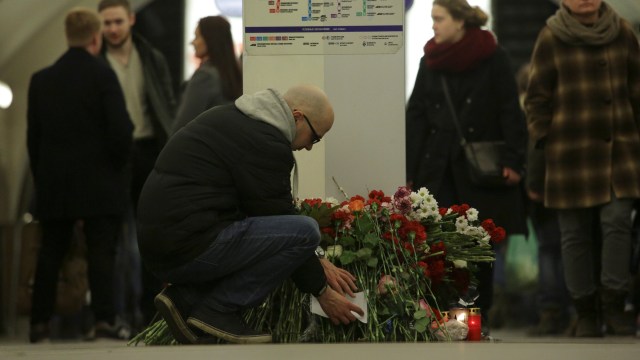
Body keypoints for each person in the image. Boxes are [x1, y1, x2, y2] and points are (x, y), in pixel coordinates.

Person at [136, 84, 364, 344]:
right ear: (298, 116)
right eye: (315, 138)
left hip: (165, 246)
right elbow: (281, 221)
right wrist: (322, 290)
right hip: (187, 245)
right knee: (306, 231)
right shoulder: (266, 142)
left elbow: (260, 216)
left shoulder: (238, 119)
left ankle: (187, 298)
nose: (310, 148)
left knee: (285, 233)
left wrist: (317, 261)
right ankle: (219, 309)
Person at [405, 0, 528, 335]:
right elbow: (415, 117)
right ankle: (444, 315)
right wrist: (410, 171)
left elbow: (509, 111)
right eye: (432, 19)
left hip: (479, 171)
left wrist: (515, 160)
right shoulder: (429, 61)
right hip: (439, 168)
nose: (433, 26)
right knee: (440, 244)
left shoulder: (493, 57)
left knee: (479, 244)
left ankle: (478, 313)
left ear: (460, 21)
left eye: (439, 19)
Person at [525, 0, 640, 337]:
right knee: (574, 234)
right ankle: (586, 311)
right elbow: (536, 98)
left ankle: (615, 307)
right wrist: (546, 138)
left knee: (617, 222)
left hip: (620, 152)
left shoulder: (622, 30)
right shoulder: (551, 35)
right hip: (569, 155)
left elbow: (637, 89)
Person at [26, 7, 133, 342]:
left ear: (67, 36)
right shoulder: (103, 75)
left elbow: (34, 139)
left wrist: (43, 176)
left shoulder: (41, 80)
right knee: (102, 252)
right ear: (95, 37)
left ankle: (38, 322)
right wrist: (116, 169)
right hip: (99, 182)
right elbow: (121, 131)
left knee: (51, 252)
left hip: (55, 183)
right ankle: (104, 319)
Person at [98, 0, 177, 327]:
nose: (113, 29)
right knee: (112, 238)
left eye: (118, 21)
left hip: (147, 150)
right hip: (110, 155)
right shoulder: (96, 61)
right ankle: (114, 312)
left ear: (131, 19)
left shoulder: (151, 57)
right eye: (107, 24)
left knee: (148, 235)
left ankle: (148, 310)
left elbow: (166, 104)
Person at [517, 63, 571, 336]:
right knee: (573, 248)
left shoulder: (530, 112)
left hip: (542, 189)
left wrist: (533, 184)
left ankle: (551, 311)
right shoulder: (566, 106)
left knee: (549, 249)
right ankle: (577, 312)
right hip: (570, 185)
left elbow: (531, 151)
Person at [172, 16, 242, 134]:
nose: (192, 42)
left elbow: (181, 127)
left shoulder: (205, 76)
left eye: (197, 37)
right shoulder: (233, 74)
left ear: (210, 40)